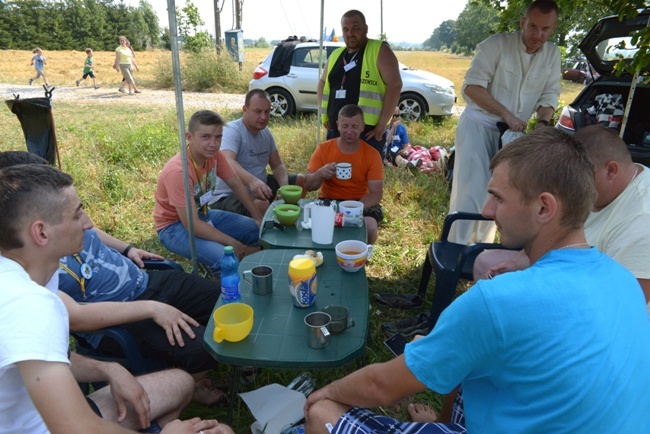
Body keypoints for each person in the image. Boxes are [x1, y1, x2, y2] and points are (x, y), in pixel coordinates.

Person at [303, 128, 650, 433]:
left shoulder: (498, 300)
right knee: (475, 363)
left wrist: (326, 392)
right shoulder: (622, 279)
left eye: (498, 197)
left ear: (544, 208)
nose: (486, 210)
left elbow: (382, 385)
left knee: (323, 414)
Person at [0, 164, 232, 434]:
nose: (87, 224)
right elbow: (75, 429)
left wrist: (107, 369)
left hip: (53, 416)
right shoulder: (28, 305)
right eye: (76, 215)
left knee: (180, 382)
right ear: (41, 233)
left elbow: (40, 360)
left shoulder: (32, 274)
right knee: (223, 431)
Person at [474, 125, 650, 312]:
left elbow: (626, 305)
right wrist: (518, 262)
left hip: (597, 306)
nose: (577, 183)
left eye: (585, 176)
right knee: (486, 262)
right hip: (569, 272)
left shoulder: (642, 219)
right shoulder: (598, 191)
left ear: (611, 170)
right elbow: (553, 234)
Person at [448, 0, 561, 244]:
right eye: (532, 26)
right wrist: (506, 113)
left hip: (512, 136)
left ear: (553, 29)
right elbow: (472, 88)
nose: (537, 34)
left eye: (545, 29)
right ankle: (456, 252)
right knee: (472, 192)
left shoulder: (553, 55)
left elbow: (550, 95)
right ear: (523, 22)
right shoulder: (496, 45)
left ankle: (481, 249)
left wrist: (543, 122)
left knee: (501, 194)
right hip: (478, 126)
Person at [155, 110, 261, 274]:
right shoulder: (178, 172)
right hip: (173, 227)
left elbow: (235, 183)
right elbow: (193, 225)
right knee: (225, 259)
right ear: (189, 137)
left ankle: (250, 274)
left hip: (203, 214)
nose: (213, 143)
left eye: (218, 137)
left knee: (256, 230)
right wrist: (232, 243)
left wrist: (257, 217)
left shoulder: (215, 155)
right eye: (206, 137)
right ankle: (226, 292)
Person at [317, 9, 402, 159]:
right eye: (346, 29)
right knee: (334, 174)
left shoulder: (379, 50)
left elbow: (395, 85)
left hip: (367, 132)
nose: (350, 33)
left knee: (364, 177)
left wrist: (383, 124)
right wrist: (324, 115)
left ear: (365, 29)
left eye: (355, 28)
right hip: (337, 128)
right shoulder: (336, 55)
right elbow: (323, 82)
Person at [212, 89, 305, 216]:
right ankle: (269, 232)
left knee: (299, 181)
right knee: (261, 204)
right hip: (228, 196)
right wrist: (252, 181)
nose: (264, 117)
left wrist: (283, 189)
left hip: (260, 189)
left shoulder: (265, 133)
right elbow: (228, 161)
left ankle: (293, 220)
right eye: (258, 111)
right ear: (245, 109)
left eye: (267, 111)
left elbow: (277, 166)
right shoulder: (232, 130)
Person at [305, 104, 383, 244]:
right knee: (317, 226)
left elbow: (376, 194)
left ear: (362, 127)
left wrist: (354, 208)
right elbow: (308, 185)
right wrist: (321, 173)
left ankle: (361, 256)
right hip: (329, 200)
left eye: (354, 127)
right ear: (338, 125)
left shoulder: (372, 154)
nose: (349, 131)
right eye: (345, 126)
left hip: (361, 202)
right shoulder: (324, 149)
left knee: (370, 227)